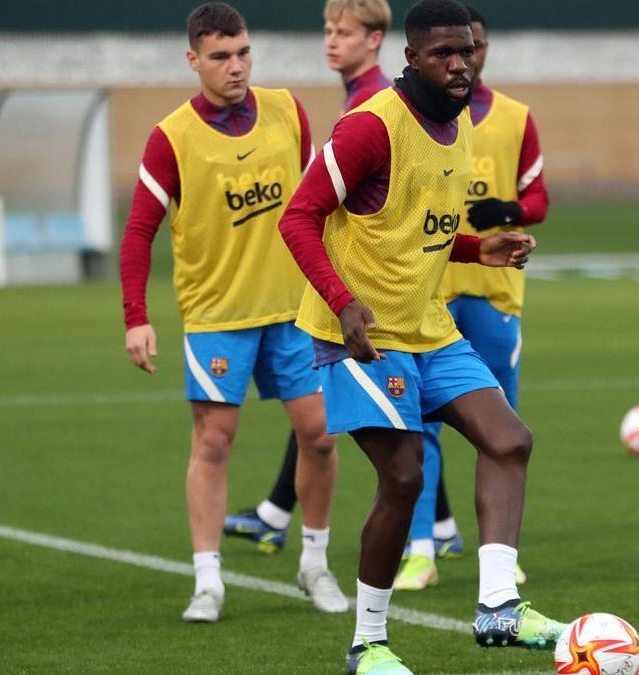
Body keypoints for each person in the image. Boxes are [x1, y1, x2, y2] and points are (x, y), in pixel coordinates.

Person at [278, 1, 567, 671]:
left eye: (466, 50)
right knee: (403, 477)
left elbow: (416, 228)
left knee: (509, 439)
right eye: (442, 53)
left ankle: (498, 606)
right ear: (410, 60)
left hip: (428, 327)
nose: (459, 62)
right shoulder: (370, 126)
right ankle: (368, 643)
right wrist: (344, 304)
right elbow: (298, 217)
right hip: (360, 336)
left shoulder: (457, 120)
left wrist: (477, 250)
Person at [119, 2, 348, 623]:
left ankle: (314, 563)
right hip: (217, 315)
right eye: (220, 56)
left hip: (293, 311)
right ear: (193, 59)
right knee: (215, 443)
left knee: (322, 436)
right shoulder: (171, 136)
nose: (236, 66)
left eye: (243, 52)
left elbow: (318, 204)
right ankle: (208, 581)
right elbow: (139, 231)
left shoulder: (286, 111)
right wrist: (136, 315)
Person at [223, 0, 394, 555]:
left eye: (343, 32)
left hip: (365, 290)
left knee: (382, 428)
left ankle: (419, 544)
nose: (330, 41)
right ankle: (276, 511)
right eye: (327, 30)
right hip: (358, 282)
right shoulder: (359, 98)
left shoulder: (373, 105)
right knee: (318, 415)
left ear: (375, 39)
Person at [394, 3, 548, 592]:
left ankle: (500, 561)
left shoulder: (515, 117)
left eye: (475, 47)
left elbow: (539, 201)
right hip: (431, 290)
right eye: (455, 49)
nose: (466, 59)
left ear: (484, 49)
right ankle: (420, 550)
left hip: (493, 291)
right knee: (420, 426)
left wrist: (506, 212)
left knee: (500, 426)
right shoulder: (416, 119)